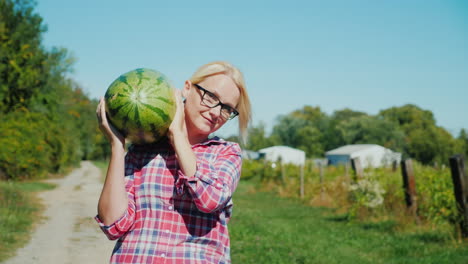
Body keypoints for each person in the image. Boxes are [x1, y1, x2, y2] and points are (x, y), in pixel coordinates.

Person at [95, 61, 252, 264]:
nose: (215, 112)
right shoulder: (141, 152)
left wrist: (177, 134)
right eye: (211, 97)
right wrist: (117, 146)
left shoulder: (226, 153)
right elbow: (113, 223)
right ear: (187, 88)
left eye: (226, 108)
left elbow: (209, 199)